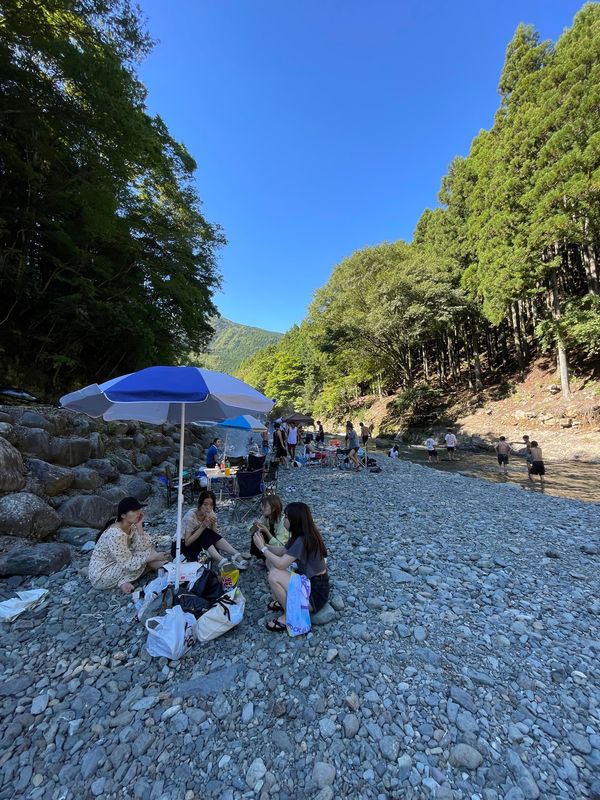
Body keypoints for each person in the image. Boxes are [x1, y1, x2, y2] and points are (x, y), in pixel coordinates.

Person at [253, 501, 329, 632]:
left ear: (295, 520)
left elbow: (281, 563)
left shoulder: (303, 540)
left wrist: (263, 548)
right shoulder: (300, 535)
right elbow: (282, 551)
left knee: (274, 574)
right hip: (310, 583)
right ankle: (285, 601)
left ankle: (289, 616)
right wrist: (264, 545)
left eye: (286, 517)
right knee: (270, 562)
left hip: (315, 595)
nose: (284, 519)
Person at [89, 497, 169, 593]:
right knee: (147, 556)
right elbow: (128, 563)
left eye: (139, 509)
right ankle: (167, 568)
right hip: (102, 574)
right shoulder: (115, 534)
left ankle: (165, 568)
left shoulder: (130, 525)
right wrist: (153, 557)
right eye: (134, 510)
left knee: (147, 550)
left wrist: (139, 526)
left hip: (117, 563)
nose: (138, 513)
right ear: (123, 515)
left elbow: (144, 545)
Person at [173, 490, 248, 569]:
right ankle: (222, 560)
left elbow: (215, 536)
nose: (208, 508)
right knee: (204, 532)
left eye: (211, 505)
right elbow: (187, 542)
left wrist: (213, 523)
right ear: (200, 504)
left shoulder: (210, 513)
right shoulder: (191, 516)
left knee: (206, 533)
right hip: (181, 547)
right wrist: (202, 527)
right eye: (205, 504)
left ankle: (236, 554)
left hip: (197, 543)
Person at [249, 495, 289, 563]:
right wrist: (255, 527)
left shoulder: (282, 522)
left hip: (282, 550)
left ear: (273, 509)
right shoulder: (266, 517)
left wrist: (266, 531)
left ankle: (267, 559)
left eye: (265, 506)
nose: (262, 508)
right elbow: (250, 530)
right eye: (262, 505)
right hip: (271, 544)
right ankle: (261, 558)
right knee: (257, 534)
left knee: (262, 534)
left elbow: (280, 546)